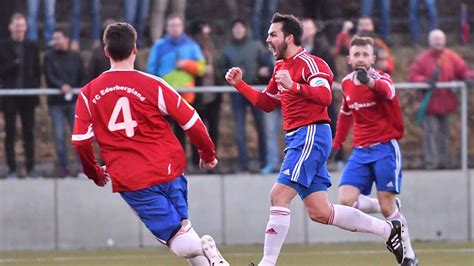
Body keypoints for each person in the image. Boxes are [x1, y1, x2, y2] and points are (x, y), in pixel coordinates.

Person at [225, 13, 407, 266]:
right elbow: (267, 104)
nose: (268, 39)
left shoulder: (311, 63)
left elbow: (325, 96)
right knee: (320, 212)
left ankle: (267, 263)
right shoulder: (281, 67)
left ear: (289, 38)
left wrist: (294, 86)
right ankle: (389, 231)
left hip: (310, 134)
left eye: (273, 34)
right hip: (298, 138)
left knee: (278, 195)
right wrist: (240, 84)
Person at [71, 22, 228, 266]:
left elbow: (80, 142)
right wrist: (207, 154)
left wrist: (95, 172)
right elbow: (192, 122)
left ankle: (203, 246)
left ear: (106, 51)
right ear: (135, 49)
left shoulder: (90, 93)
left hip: (134, 179)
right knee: (183, 229)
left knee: (177, 241)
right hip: (170, 169)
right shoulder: (154, 84)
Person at [332, 36, 418, 266]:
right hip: (360, 151)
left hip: (385, 148)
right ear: (349, 59)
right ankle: (379, 206)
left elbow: (388, 92)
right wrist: (336, 144)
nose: (360, 58)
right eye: (356, 55)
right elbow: (345, 115)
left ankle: (409, 256)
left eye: (365, 54)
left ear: (373, 58)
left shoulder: (381, 78)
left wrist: (369, 81)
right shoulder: (348, 83)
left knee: (389, 207)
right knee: (344, 200)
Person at [408, 29, 474, 169]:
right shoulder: (422, 59)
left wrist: (469, 77)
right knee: (430, 133)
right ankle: (431, 162)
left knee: (445, 134)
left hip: (447, 103)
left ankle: (444, 161)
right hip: (430, 104)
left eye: (440, 39)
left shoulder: (452, 57)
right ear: (430, 41)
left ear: (444, 41)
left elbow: (464, 70)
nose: (439, 42)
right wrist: (425, 81)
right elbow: (413, 76)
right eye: (436, 39)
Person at [147, 13, 206, 152]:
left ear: (182, 27)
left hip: (186, 96)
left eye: (178, 25)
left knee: (184, 132)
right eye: (172, 25)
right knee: (164, 132)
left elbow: (202, 68)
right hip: (164, 97)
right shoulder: (159, 46)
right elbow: (151, 69)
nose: (175, 28)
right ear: (167, 28)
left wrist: (186, 64)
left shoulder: (191, 45)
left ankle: (185, 163)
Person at [220, 19, 269, 173]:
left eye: (241, 28)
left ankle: (264, 162)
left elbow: (267, 64)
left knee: (261, 126)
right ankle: (244, 164)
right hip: (237, 93)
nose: (238, 31)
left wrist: (263, 70)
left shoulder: (256, 46)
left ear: (245, 29)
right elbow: (221, 70)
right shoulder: (227, 50)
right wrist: (231, 74)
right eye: (235, 28)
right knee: (240, 129)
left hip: (255, 90)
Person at [0, 13, 41, 178]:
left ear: (25, 28)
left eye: (21, 26)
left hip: (28, 96)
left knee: (28, 132)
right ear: (10, 28)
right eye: (16, 26)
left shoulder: (32, 46)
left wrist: (35, 88)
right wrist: (13, 65)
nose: (19, 29)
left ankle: (30, 168)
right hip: (10, 95)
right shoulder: (3, 46)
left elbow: (37, 71)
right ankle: (11, 168)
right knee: (10, 133)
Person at [44, 28, 86, 177]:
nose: (56, 41)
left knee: (78, 136)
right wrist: (61, 85)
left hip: (74, 102)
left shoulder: (76, 57)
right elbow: (49, 76)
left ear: (66, 39)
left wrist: (74, 89)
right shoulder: (49, 57)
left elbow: (82, 76)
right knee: (59, 135)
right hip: (56, 102)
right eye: (54, 38)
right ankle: (63, 166)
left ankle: (83, 166)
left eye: (58, 38)